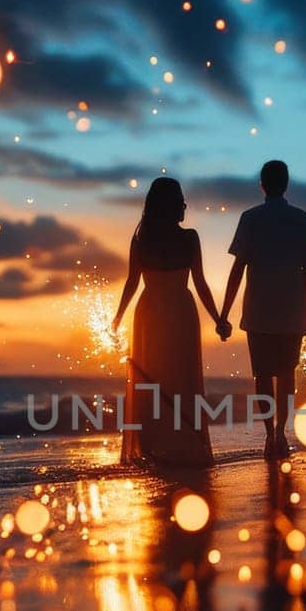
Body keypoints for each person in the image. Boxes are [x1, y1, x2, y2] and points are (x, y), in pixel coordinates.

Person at [112, 177, 228, 467]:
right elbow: (199, 282)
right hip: (180, 311)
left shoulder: (141, 240)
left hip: (149, 312)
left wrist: (117, 317)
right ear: (177, 206)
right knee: (182, 379)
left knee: (152, 379)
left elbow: (132, 283)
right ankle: (184, 445)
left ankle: (153, 446)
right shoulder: (189, 238)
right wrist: (217, 318)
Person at [218, 160, 306, 460]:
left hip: (258, 308)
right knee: (286, 373)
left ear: (261, 185)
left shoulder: (250, 219)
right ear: (286, 185)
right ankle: (281, 433)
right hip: (292, 308)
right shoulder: (301, 218)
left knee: (262, 375)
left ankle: (269, 435)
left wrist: (224, 313)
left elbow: (237, 269)